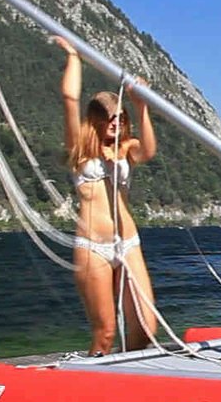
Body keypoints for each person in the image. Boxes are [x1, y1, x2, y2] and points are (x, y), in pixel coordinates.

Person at [56, 35, 158, 354]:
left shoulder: (126, 149)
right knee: (106, 333)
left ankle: (130, 376)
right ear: (97, 119)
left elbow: (148, 151)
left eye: (120, 118)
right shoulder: (80, 150)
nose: (116, 123)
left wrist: (141, 106)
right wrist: (74, 57)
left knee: (145, 328)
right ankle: (92, 376)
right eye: (110, 117)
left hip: (128, 243)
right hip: (93, 247)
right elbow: (69, 100)